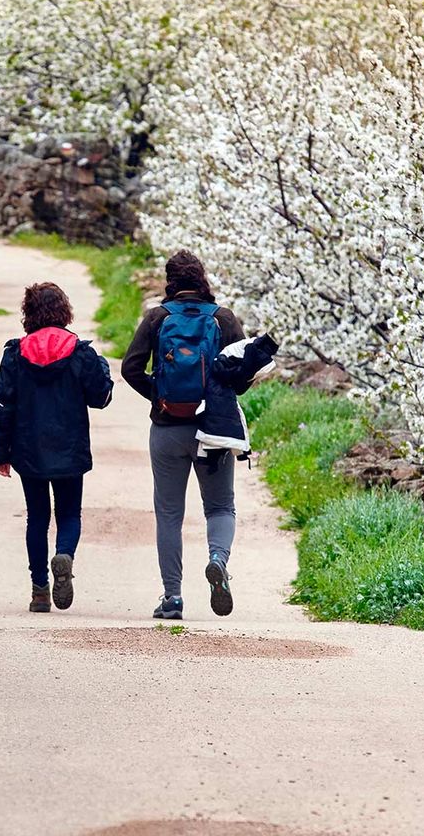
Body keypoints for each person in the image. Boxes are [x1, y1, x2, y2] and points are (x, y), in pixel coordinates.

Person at [121, 250, 246, 621]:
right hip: (213, 432)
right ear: (202, 278)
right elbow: (243, 373)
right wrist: (220, 400)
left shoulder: (157, 318)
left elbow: (130, 368)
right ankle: (217, 559)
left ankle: (173, 598)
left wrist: (159, 396)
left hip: (167, 428)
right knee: (220, 507)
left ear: (170, 280)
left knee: (170, 514)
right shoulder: (223, 319)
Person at [0, 282, 113, 613]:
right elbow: (100, 397)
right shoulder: (79, 352)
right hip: (70, 447)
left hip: (28, 449)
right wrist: (102, 367)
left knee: (37, 517)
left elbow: (3, 405)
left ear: (28, 313)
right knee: (69, 513)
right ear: (64, 311)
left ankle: (40, 590)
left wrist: (0, 453)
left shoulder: (16, 354)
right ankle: (64, 555)